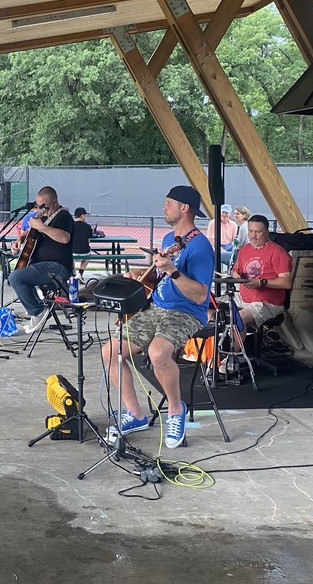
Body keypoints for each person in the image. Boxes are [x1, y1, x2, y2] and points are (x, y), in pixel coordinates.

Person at [100, 185, 213, 448]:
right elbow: (161, 279)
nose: (164, 208)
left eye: (169, 203)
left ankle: (175, 411)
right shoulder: (168, 240)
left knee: (158, 353)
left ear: (184, 208)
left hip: (186, 312)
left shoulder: (200, 247)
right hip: (157, 308)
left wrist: (173, 270)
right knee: (110, 352)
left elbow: (199, 295)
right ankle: (136, 414)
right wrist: (143, 274)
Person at [7, 186, 74, 334]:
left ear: (54, 202)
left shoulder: (63, 216)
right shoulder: (42, 217)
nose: (41, 209)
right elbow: (27, 233)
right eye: (38, 206)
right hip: (40, 265)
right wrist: (19, 240)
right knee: (18, 275)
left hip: (58, 268)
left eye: (44, 205)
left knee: (16, 277)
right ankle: (37, 311)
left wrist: (42, 227)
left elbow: (64, 238)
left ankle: (37, 311)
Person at [232, 214, 292, 331]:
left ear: (266, 232)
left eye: (257, 232)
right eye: (250, 231)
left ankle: (236, 349)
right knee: (210, 307)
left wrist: (261, 282)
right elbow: (235, 270)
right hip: (243, 298)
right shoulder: (245, 249)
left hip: (267, 302)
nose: (253, 236)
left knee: (239, 318)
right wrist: (236, 275)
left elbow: (286, 282)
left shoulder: (277, 252)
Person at [206, 203, 238, 270]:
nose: (224, 214)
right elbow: (210, 239)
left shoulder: (234, 225)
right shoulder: (213, 223)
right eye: (223, 212)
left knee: (236, 254)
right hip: (215, 246)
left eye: (226, 212)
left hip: (229, 246)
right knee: (216, 254)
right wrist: (219, 248)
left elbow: (233, 239)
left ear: (230, 214)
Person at [72, 207, 93, 280]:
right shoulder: (88, 226)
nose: (86, 217)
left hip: (73, 252)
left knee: (69, 254)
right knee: (88, 255)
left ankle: (73, 273)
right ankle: (80, 273)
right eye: (85, 215)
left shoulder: (70, 225)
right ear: (81, 215)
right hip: (85, 252)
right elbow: (88, 241)